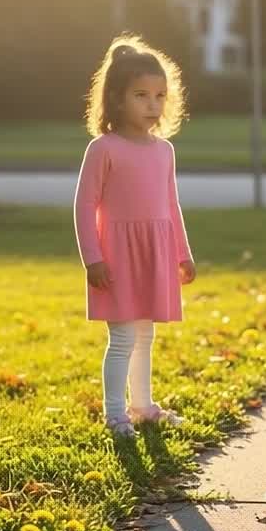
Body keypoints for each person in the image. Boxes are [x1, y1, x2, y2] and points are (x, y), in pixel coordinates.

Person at [75, 35, 195, 438]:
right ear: (116, 97)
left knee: (146, 333)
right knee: (123, 336)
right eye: (141, 95)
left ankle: (143, 407)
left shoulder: (164, 151)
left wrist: (183, 253)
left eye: (160, 96)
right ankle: (115, 414)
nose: (153, 105)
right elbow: (84, 206)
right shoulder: (103, 148)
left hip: (156, 253)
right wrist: (92, 257)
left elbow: (171, 204)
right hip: (118, 257)